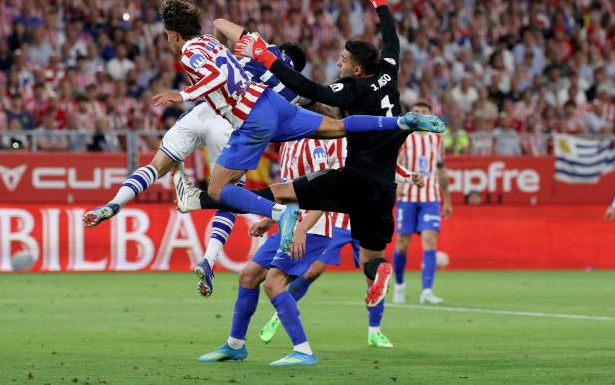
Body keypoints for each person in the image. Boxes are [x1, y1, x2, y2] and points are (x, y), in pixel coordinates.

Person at [176, 0, 444, 308]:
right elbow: (392, 41)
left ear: (357, 70)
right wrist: (380, 3)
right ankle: (382, 270)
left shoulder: (352, 90)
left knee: (278, 193)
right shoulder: (389, 73)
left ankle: (200, 199)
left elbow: (310, 89)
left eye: (343, 61)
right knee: (370, 260)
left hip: (353, 179)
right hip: (384, 189)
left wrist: (265, 57)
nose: (338, 65)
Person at [83, 21, 309, 299]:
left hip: (203, 110)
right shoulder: (298, 89)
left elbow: (219, 26)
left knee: (156, 167)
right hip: (234, 122)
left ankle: (114, 203)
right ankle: (209, 259)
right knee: (229, 194)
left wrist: (218, 46)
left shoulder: (263, 49)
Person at [257, 137, 424, 349]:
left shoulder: (346, 138)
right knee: (312, 272)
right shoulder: (328, 140)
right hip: (340, 219)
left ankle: (375, 331)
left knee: (369, 280)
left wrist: (410, 177)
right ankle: (278, 316)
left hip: (352, 216)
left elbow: (386, 166)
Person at [198, 137, 334, 366]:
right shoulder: (287, 145)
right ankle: (235, 345)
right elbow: (292, 193)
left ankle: (303, 351)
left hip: (311, 229)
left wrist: (301, 229)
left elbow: (325, 190)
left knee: (273, 283)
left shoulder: (313, 144)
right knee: (248, 276)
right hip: (288, 225)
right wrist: (269, 220)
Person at [393, 102, 453, 305]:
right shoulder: (404, 137)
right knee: (402, 244)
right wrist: (397, 185)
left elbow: (441, 169)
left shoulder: (437, 139)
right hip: (407, 198)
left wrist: (448, 200)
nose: (419, 115)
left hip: (431, 198)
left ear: (430, 115)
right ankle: (399, 286)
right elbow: (395, 163)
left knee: (430, 241)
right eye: (416, 112)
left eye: (424, 112)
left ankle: (427, 291)